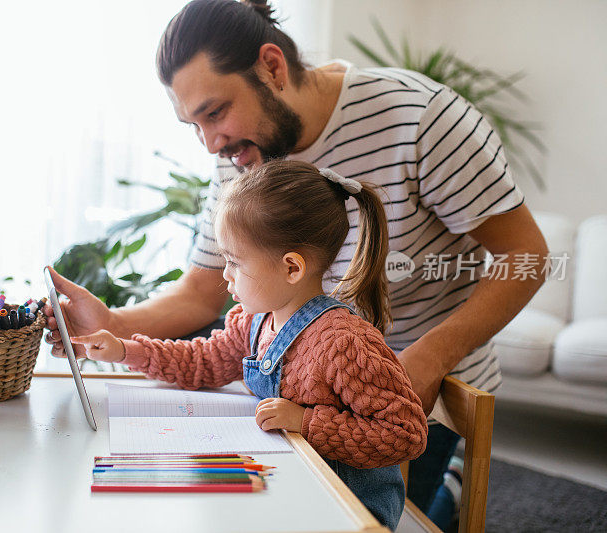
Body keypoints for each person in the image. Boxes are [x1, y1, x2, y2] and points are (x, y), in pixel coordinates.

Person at [44, 0, 548, 528]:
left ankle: (445, 488)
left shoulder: (421, 118)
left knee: (402, 514)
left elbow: (529, 257)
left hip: (412, 382)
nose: (211, 143)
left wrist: (426, 359)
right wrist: (114, 327)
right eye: (193, 124)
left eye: (215, 112)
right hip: (302, 387)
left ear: (272, 67)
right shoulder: (237, 155)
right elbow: (201, 291)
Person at [66, 160, 428, 530]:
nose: (225, 274)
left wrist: (305, 421)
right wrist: (125, 350)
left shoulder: (346, 344)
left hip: (346, 508)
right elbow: (202, 361)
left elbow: (406, 434)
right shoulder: (255, 321)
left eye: (235, 262)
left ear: (292, 269)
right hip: (288, 486)